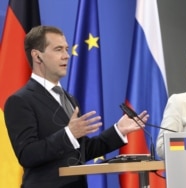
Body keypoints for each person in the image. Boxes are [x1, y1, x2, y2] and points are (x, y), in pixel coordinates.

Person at [4, 25, 149, 188]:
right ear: (37, 56)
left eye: (66, 49)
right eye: (58, 49)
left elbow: (81, 151)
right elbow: (27, 155)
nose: (66, 56)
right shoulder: (20, 101)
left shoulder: (69, 98)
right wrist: (69, 134)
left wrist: (118, 131)